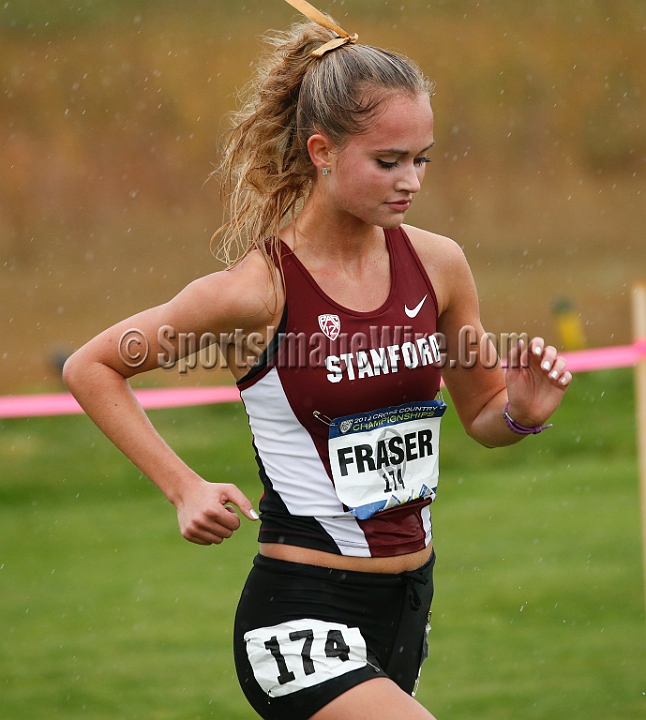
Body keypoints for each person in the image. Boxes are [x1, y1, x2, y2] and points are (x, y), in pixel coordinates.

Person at [63, 1, 572, 718]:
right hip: (299, 608)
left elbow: (483, 416)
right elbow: (91, 365)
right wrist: (183, 487)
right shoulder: (253, 292)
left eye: (421, 160)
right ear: (322, 150)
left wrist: (519, 411)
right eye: (388, 161)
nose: (411, 181)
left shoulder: (440, 266)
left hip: (406, 602)